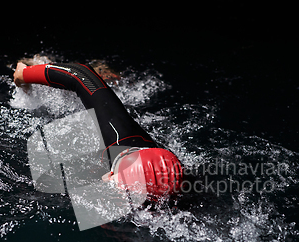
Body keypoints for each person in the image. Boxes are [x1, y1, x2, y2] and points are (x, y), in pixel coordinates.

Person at [13, 58, 183, 199]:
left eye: (117, 184)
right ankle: (46, 64)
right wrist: (24, 74)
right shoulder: (120, 136)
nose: (109, 180)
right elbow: (81, 75)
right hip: (128, 126)